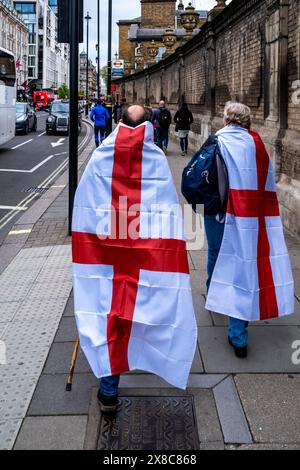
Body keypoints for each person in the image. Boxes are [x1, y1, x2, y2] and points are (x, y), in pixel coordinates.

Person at [72, 105, 197, 413]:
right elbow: (167, 211)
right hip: (144, 253)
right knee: (145, 304)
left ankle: (109, 390)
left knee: (107, 313)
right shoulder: (155, 158)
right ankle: (146, 357)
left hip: (106, 252)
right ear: (148, 124)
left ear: (121, 122)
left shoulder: (101, 155)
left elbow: (85, 207)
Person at [197, 102, 294, 358]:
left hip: (218, 213)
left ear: (227, 119)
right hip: (249, 217)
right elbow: (266, 183)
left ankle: (214, 292)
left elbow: (200, 175)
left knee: (217, 256)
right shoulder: (258, 145)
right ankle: (238, 334)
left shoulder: (216, 140)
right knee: (243, 265)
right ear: (247, 121)